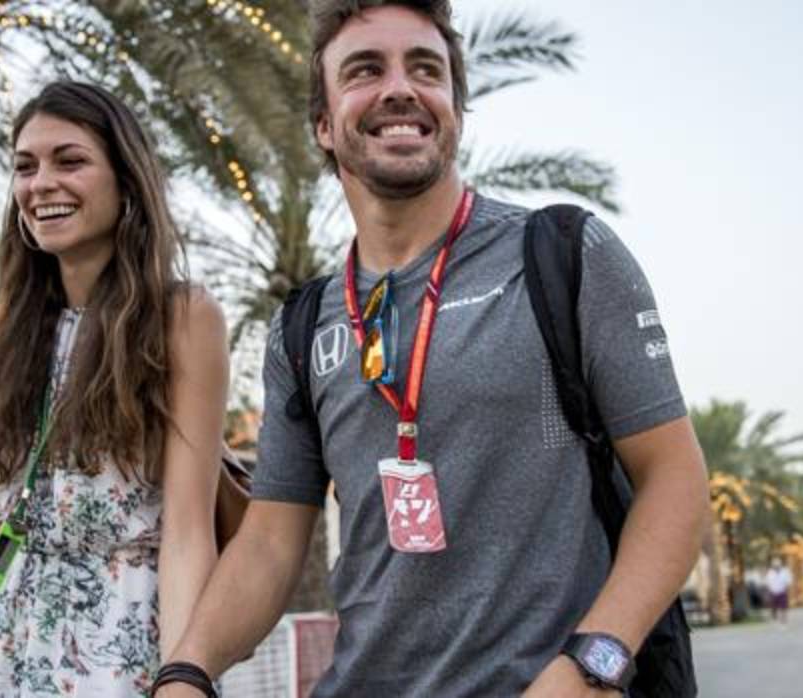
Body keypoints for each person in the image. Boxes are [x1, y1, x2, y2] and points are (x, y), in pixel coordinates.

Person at [155, 1, 710, 696]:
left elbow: (675, 481)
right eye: (364, 70)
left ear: (453, 109)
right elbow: (270, 539)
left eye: (426, 69)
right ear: (324, 125)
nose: (400, 87)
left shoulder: (566, 255)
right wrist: (187, 667)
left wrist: (590, 667)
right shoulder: (305, 325)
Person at [0, 81, 228, 697]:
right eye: (24, 166)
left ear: (125, 180)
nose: (41, 183)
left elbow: (186, 532)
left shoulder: (183, 316)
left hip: (121, 656)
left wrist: (181, 680)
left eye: (70, 160)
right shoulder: (10, 337)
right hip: (8, 658)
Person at [765, 557, 792, 624]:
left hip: (782, 591)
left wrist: (787, 590)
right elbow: (767, 582)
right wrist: (768, 591)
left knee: (784, 607)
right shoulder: (770, 572)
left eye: (777, 565)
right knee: (773, 607)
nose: (776, 567)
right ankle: (774, 617)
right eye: (775, 566)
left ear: (780, 565)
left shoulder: (785, 571)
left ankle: (783, 620)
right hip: (773, 592)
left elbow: (788, 582)